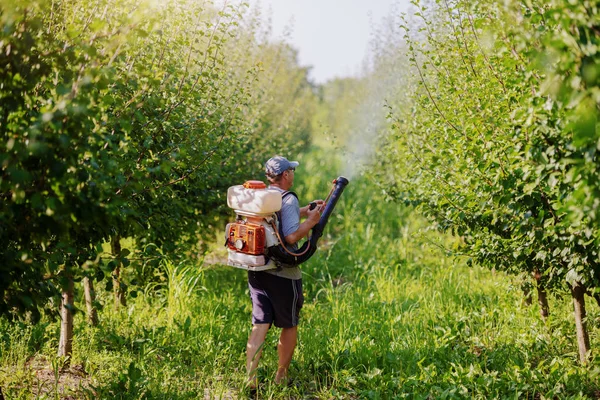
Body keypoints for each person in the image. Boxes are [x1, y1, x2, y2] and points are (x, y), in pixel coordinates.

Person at [245, 155, 323, 389]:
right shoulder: (287, 199)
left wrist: (304, 211)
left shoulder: (263, 197)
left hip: (258, 270)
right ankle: (281, 376)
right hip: (283, 274)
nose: (293, 174)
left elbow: (275, 222)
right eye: (292, 171)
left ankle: (250, 379)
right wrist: (311, 222)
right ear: (286, 175)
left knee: (260, 324)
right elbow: (289, 237)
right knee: (289, 324)